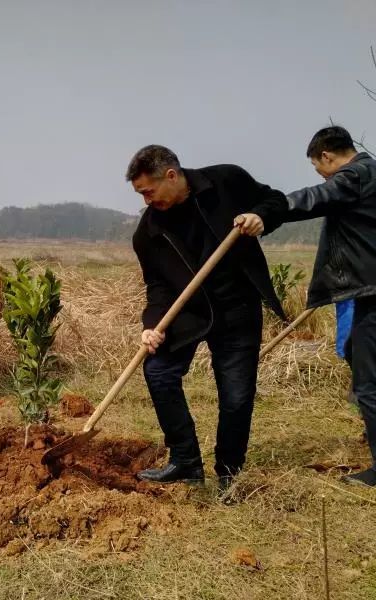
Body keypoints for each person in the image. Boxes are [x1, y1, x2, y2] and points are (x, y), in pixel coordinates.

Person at [127, 145, 288, 493]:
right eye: (141, 195)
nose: (146, 201)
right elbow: (157, 287)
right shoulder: (148, 231)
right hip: (188, 312)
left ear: (171, 176)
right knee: (158, 370)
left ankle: (229, 471)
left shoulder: (226, 180)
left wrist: (261, 216)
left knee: (236, 394)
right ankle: (185, 460)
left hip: (237, 307)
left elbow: (275, 201)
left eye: (149, 192)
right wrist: (151, 325)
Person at [278, 125, 376, 489]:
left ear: (327, 156)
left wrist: (271, 209)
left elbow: (317, 198)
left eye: (319, 167)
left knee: (370, 380)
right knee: (368, 366)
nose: (322, 175)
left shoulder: (357, 175)